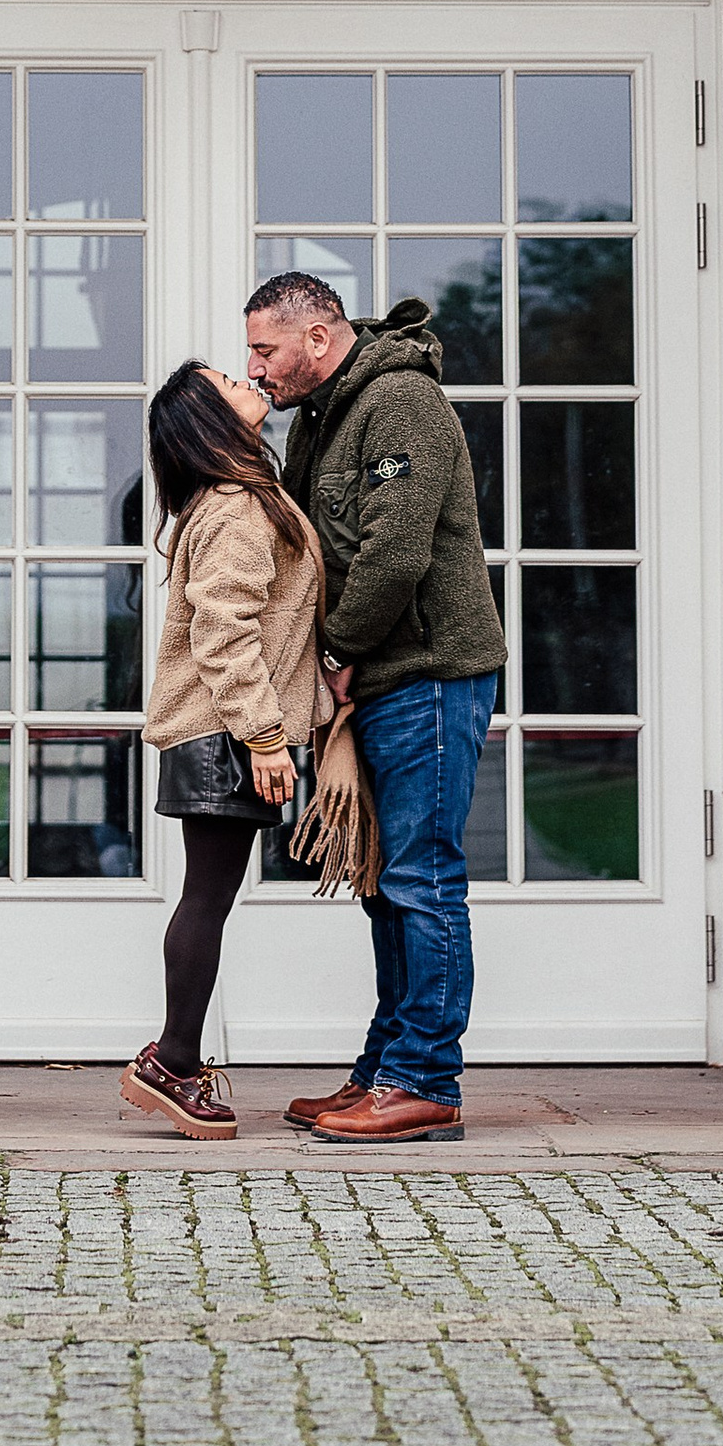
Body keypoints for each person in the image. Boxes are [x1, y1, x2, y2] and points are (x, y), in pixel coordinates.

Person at [245, 273, 505, 1146]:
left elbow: (394, 552)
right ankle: (383, 1068)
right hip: (378, 677)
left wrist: (336, 652)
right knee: (384, 888)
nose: (258, 366)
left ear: (318, 338)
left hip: (426, 672)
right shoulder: (321, 418)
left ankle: (425, 1081)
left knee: (420, 879)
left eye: (266, 349)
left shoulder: (401, 402)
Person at [125, 359, 323, 1139]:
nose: (248, 379)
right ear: (211, 415)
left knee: (208, 896)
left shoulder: (226, 498)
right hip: (224, 731)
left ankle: (174, 1059)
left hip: (216, 729)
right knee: (206, 898)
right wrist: (267, 737)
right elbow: (225, 633)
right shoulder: (238, 506)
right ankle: (171, 1063)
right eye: (226, 381)